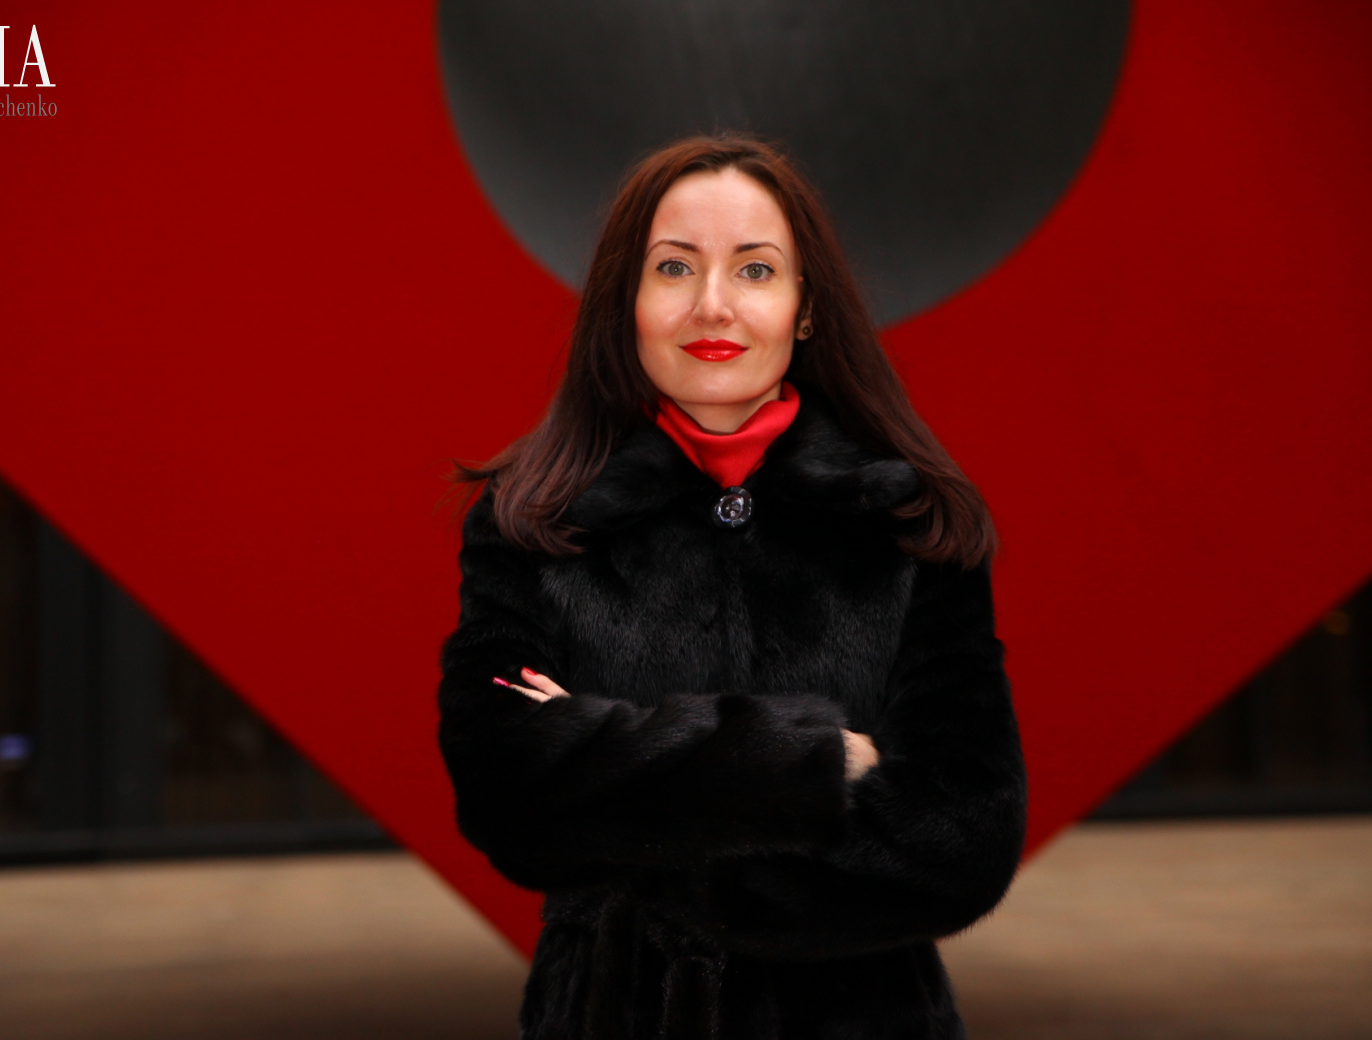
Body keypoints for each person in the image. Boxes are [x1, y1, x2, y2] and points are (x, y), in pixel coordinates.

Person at [437, 135, 1026, 1040]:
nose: (712, 305)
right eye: (674, 268)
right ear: (625, 304)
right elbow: (502, 785)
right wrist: (820, 763)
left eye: (755, 270)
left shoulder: (910, 524)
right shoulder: (532, 522)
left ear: (803, 309)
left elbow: (965, 838)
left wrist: (613, 778)